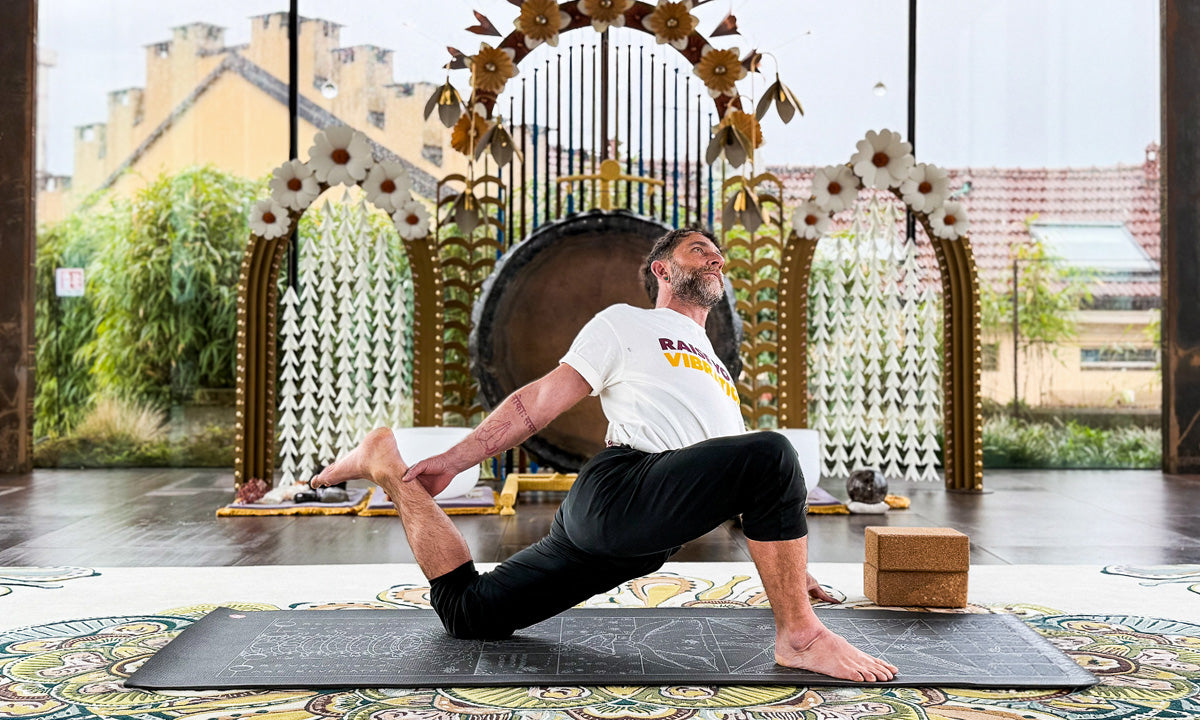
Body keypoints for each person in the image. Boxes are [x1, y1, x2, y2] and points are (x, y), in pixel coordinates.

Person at [312, 228, 898, 682]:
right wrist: (456, 460)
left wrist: (794, 571)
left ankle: (384, 462)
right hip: (620, 492)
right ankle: (800, 637)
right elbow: (538, 402)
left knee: (469, 615)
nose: (715, 260)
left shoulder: (718, 368)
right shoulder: (626, 323)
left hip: (637, 538)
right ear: (662, 269)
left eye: (719, 255)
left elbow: (741, 494)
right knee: (773, 452)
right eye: (700, 251)